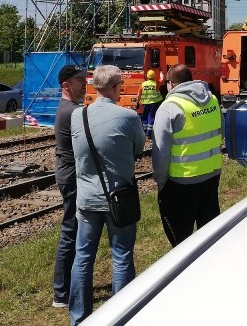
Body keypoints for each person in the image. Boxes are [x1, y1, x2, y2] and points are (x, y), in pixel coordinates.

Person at [69, 65, 145, 326]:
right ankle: (120, 315)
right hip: (118, 199)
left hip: (87, 200)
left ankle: (79, 317)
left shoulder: (78, 116)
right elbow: (138, 147)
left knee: (83, 257)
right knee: (122, 254)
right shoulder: (128, 117)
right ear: (115, 88)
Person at [151, 63, 223, 247]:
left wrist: (161, 182)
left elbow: (160, 151)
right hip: (212, 174)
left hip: (182, 180)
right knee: (209, 233)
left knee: (181, 240)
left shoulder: (170, 107)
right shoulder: (212, 100)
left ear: (171, 84)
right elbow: (220, 132)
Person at [52, 64, 88, 309]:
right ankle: (61, 293)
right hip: (72, 175)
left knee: (74, 230)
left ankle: (67, 287)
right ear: (66, 85)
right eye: (79, 80)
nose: (84, 83)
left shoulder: (72, 109)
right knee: (70, 231)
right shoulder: (71, 112)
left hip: (70, 173)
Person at [138, 69, 162, 137]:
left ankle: (144, 131)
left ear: (146, 76)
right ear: (154, 76)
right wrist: (161, 73)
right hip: (154, 103)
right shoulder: (156, 83)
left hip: (145, 103)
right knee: (151, 116)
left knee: (145, 116)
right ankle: (149, 133)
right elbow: (162, 80)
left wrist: (137, 102)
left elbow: (139, 95)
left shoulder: (143, 84)